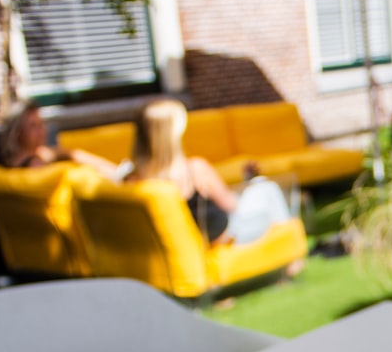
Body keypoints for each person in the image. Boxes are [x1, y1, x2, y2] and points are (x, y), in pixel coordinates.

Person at [125, 98, 294, 247]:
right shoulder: (194, 169)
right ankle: (291, 257)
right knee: (266, 189)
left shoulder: (133, 179)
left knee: (258, 190)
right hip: (225, 237)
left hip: (182, 244)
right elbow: (230, 205)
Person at [0, 99, 118, 177]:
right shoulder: (35, 164)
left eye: (41, 124)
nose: (41, 130)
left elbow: (74, 154)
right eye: (33, 126)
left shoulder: (40, 154)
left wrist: (114, 171)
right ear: (16, 132)